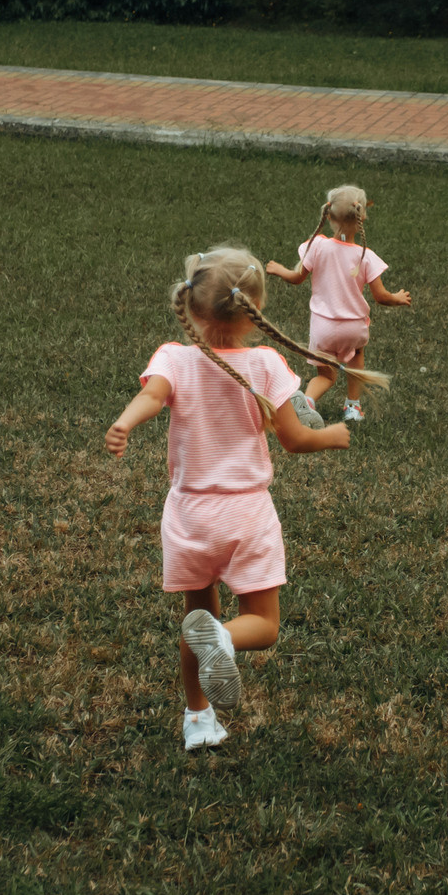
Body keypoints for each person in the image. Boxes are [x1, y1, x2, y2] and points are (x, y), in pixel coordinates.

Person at [104, 244, 383, 751]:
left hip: (189, 515)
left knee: (197, 619)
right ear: (255, 309)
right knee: (263, 625)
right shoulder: (265, 363)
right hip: (246, 515)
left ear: (191, 305)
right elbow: (294, 439)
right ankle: (226, 639)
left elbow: (151, 395)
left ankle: (197, 718)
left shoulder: (173, 358)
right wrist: (331, 435)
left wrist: (124, 422)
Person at [266, 185, 411, 422]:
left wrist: (279, 269)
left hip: (323, 329)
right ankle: (353, 407)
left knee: (326, 376)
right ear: (363, 217)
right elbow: (381, 296)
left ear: (328, 216)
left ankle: (308, 401)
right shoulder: (365, 256)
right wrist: (397, 298)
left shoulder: (318, 246)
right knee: (356, 357)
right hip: (353, 328)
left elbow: (296, 278)